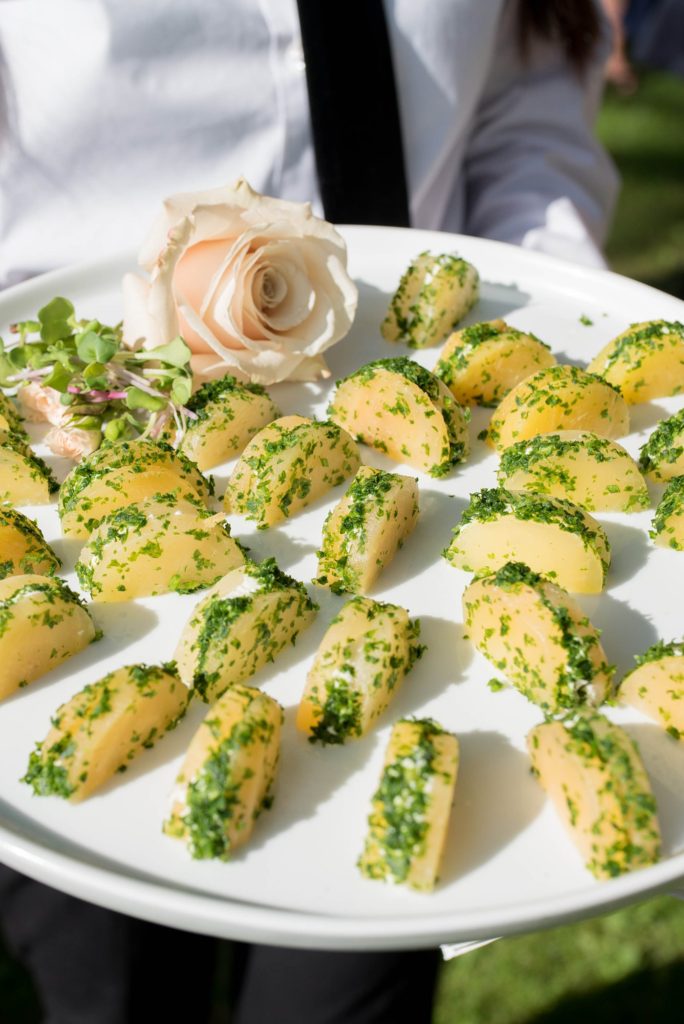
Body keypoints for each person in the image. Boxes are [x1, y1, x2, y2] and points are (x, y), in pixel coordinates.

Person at [0, 2, 617, 1022]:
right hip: (69, 490)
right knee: (110, 991)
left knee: (344, 990)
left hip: (433, 481)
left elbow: (520, 106)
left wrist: (550, 310)